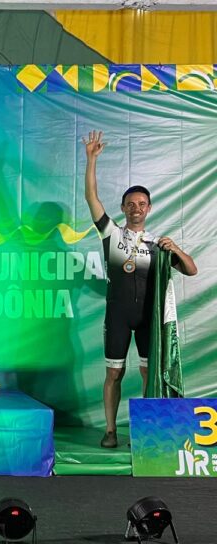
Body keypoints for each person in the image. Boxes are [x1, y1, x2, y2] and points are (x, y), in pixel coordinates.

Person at [83, 130, 197, 448]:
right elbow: (91, 198)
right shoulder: (111, 234)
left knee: (149, 374)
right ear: (123, 207)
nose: (136, 208)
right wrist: (91, 159)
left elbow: (191, 270)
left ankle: (147, 433)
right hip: (118, 317)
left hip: (148, 319)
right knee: (114, 375)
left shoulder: (158, 243)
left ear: (149, 209)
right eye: (131, 203)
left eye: (141, 204)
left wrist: (176, 248)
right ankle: (110, 431)